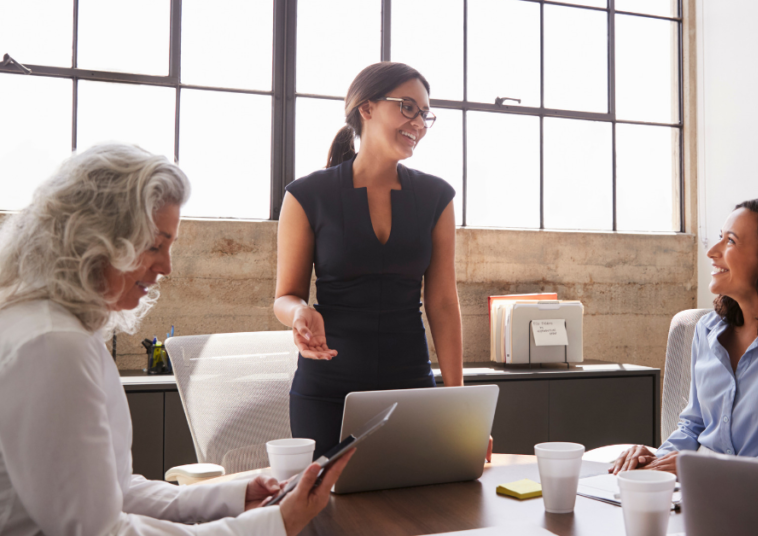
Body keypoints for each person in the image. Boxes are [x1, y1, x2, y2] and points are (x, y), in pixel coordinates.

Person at [0, 143, 352, 535]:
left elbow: (110, 492)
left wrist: (232, 498)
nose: (166, 266)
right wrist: (273, 524)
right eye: (155, 245)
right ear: (96, 239)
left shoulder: (49, 327)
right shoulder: (53, 346)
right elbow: (102, 531)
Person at [275, 62, 474, 459]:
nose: (418, 121)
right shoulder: (306, 196)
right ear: (365, 109)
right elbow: (286, 296)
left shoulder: (437, 197)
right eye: (407, 107)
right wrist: (298, 313)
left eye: (424, 113)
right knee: (330, 514)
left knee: (419, 511)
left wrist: (460, 406)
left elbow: (442, 303)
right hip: (328, 391)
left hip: (410, 386)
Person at [611, 198, 758, 474]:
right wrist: (655, 461)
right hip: (698, 493)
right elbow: (693, 426)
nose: (712, 252)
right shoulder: (707, 329)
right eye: (719, 238)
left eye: (731, 241)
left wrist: (714, 468)